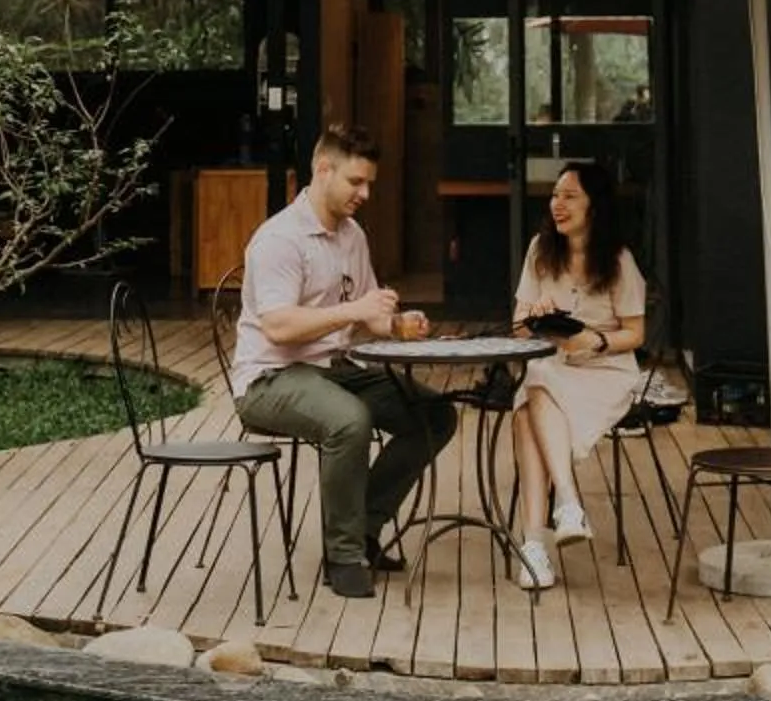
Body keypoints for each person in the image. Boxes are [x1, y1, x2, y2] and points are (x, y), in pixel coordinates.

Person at [232, 122, 459, 599]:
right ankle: (343, 556)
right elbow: (279, 328)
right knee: (349, 420)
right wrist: (355, 312)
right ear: (323, 169)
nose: (366, 193)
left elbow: (368, 312)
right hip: (270, 378)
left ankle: (365, 529)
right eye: (356, 182)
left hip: (336, 370)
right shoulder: (280, 239)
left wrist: (396, 324)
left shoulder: (353, 235)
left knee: (435, 415)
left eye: (369, 183)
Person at [504, 160, 648, 591]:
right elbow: (518, 326)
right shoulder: (540, 250)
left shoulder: (619, 260)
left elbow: (636, 334)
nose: (557, 204)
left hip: (605, 370)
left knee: (529, 402)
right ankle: (565, 506)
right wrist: (537, 317)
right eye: (555, 195)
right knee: (534, 390)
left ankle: (535, 543)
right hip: (555, 365)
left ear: (594, 206)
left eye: (570, 196)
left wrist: (596, 341)